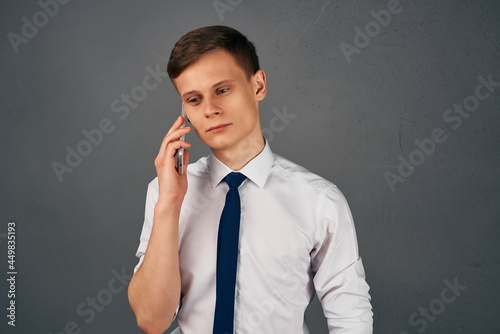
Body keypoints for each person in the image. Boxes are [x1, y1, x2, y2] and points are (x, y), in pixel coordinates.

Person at [128, 25, 373, 334]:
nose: (210, 110)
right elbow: (151, 320)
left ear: (258, 85)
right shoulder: (166, 192)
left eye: (222, 90)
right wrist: (169, 203)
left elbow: (350, 317)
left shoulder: (318, 200)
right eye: (193, 99)